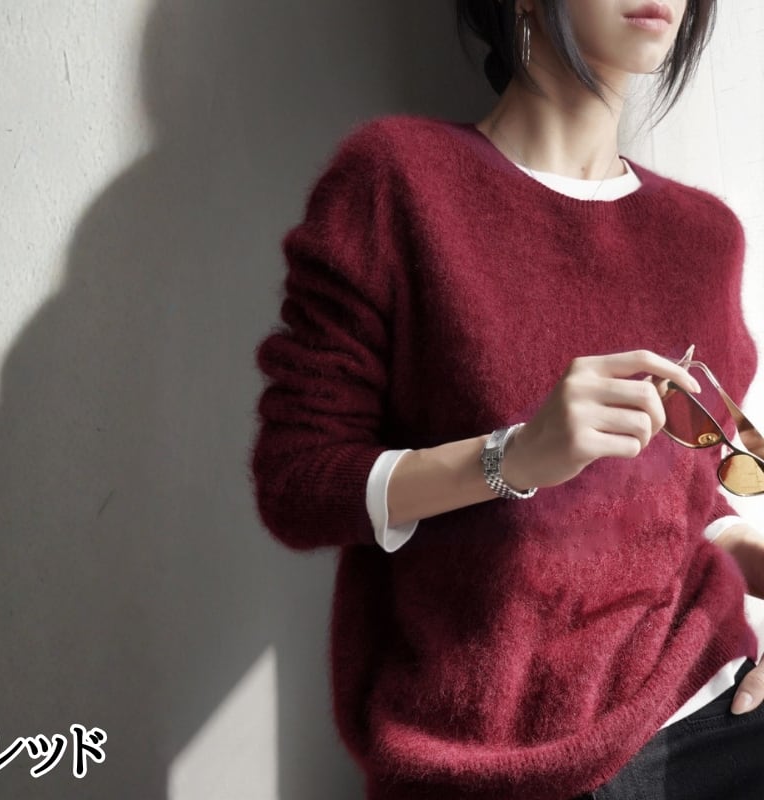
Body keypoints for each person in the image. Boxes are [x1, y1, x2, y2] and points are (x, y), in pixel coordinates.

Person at [251, 1, 764, 797]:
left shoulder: (703, 237)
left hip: (712, 714)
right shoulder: (397, 181)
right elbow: (297, 483)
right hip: (481, 756)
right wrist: (513, 458)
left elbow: (684, 505)